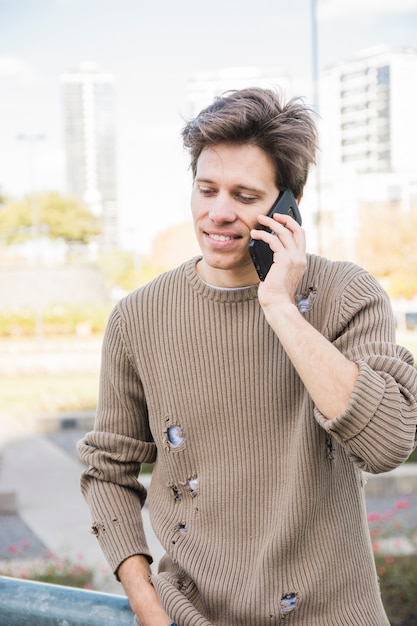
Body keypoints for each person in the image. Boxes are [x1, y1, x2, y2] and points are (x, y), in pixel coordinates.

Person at [77, 87, 417, 626]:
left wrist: (280, 305)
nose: (218, 213)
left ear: (288, 208)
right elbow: (108, 472)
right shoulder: (137, 317)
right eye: (206, 189)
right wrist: (147, 603)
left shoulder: (347, 295)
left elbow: (388, 444)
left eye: (245, 195)